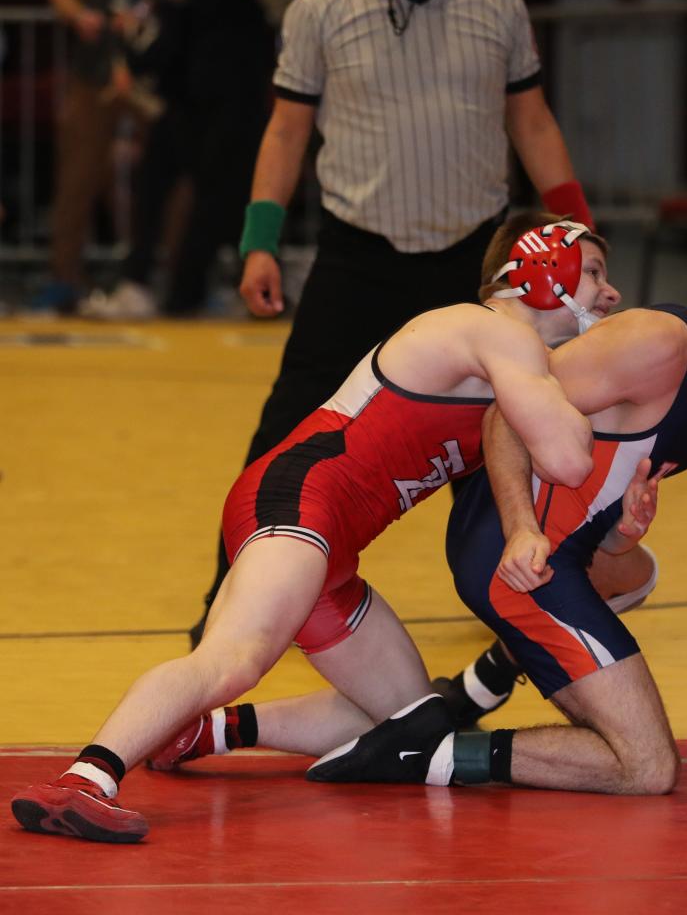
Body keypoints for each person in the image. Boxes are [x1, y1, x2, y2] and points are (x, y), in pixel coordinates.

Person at [10, 217, 625, 843]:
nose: (612, 295)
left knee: (416, 723)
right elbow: (570, 458)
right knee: (234, 656)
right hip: (301, 500)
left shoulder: (521, 370)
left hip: (330, 543)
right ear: (542, 267)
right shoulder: (491, 332)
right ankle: (85, 780)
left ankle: (209, 731)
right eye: (596, 271)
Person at [305, 240, 687, 794]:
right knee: (647, 766)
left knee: (637, 577)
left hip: (565, 561)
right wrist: (520, 530)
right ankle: (431, 751)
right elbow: (508, 413)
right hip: (513, 558)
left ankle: (463, 708)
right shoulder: (659, 344)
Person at [190, 0, 596, 643]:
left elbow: (533, 123)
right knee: (284, 438)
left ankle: (526, 593)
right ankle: (228, 611)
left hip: (472, 267)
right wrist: (259, 243)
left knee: (498, 439)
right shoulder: (319, 10)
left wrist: (576, 228)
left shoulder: (497, 1)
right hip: (357, 258)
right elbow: (285, 131)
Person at [82, 0, 296, 319]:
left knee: (216, 192)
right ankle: (170, 288)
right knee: (198, 187)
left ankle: (185, 290)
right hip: (203, 88)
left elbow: (195, 16)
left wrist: (144, 58)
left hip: (217, 88)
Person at [36, 0, 171, 314]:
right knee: (77, 176)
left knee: (171, 176)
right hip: (95, 68)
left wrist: (153, 14)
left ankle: (168, 276)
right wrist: (79, 15)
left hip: (153, 70)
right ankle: (63, 279)